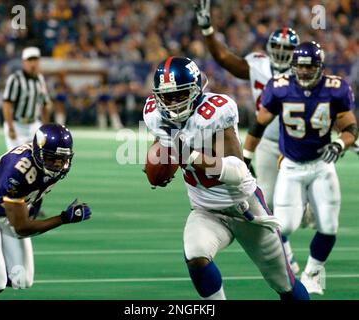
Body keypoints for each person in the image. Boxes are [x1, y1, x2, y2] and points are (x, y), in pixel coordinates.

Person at [143, 56, 309, 300]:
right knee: (196, 255)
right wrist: (160, 165)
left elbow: (237, 171)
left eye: (180, 95)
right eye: (167, 97)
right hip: (205, 210)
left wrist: (188, 156)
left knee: (284, 283)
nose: (173, 103)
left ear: (197, 90)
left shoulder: (215, 112)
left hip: (245, 209)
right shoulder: (154, 114)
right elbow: (165, 146)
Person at [195, 0, 301, 273]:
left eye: (286, 49)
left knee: (300, 201)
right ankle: (283, 251)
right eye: (277, 48)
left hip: (299, 143)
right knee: (269, 198)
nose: (281, 54)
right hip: (265, 141)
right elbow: (224, 59)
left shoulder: (305, 71)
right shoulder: (259, 65)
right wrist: (208, 29)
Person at [243, 41, 358, 295]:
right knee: (284, 226)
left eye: (310, 67)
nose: (304, 72)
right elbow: (259, 125)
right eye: (300, 67)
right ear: (293, 67)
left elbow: (350, 128)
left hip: (322, 165)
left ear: (320, 67)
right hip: (291, 166)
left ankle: (312, 274)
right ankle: (286, 270)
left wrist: (339, 143)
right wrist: (246, 156)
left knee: (329, 226)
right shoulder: (280, 88)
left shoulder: (335, 89)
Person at [0, 124, 91, 299]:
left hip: (6, 212)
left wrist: (31, 212)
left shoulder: (47, 165)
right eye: (51, 158)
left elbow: (36, 194)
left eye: (62, 159)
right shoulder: (18, 173)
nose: (57, 164)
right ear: (37, 153)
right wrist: (63, 218)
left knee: (21, 279)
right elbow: (22, 228)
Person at [2, 47, 52, 151]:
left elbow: (45, 104)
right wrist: (11, 128)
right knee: (16, 159)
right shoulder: (15, 79)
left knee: (40, 158)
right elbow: (6, 104)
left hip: (34, 124)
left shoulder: (40, 79)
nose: (33, 64)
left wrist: (45, 126)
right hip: (17, 124)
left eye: (35, 60)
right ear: (23, 62)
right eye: (30, 60)